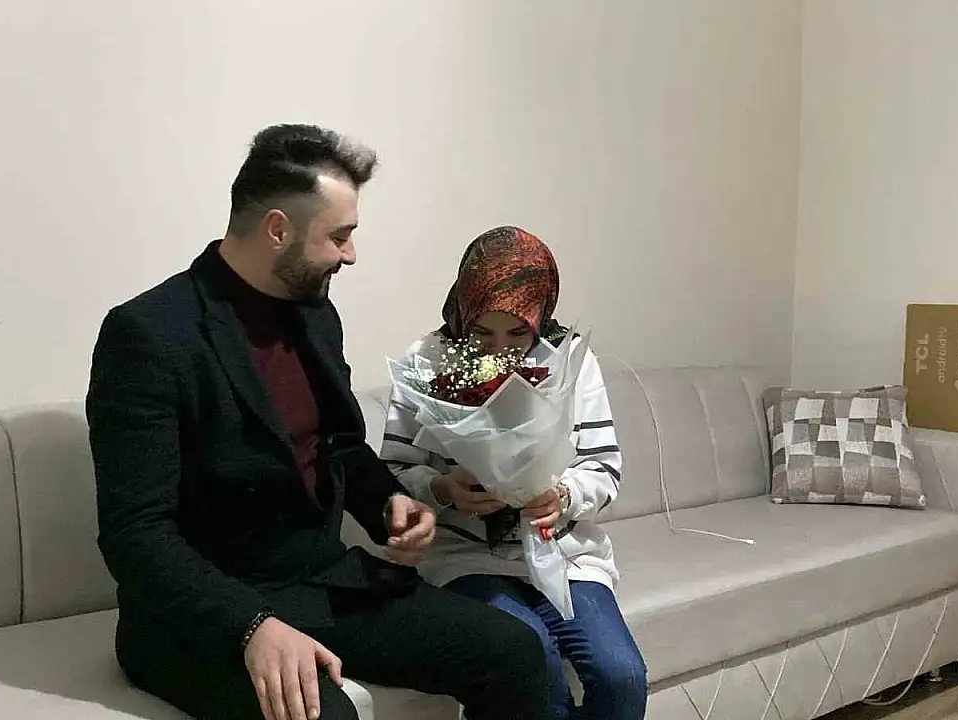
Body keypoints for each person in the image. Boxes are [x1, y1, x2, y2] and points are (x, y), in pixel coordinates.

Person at [86, 126, 548, 720]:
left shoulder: (315, 314)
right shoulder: (149, 334)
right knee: (325, 715)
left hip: (319, 583)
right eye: (339, 236)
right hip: (197, 614)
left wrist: (387, 503)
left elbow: (340, 445)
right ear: (278, 229)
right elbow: (136, 533)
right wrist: (250, 625)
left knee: (513, 651)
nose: (350, 255)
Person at [381, 226, 649, 720]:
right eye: (481, 334)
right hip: (465, 558)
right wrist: (442, 489)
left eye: (518, 334)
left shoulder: (570, 359)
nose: (498, 351)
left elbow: (604, 468)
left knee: (622, 677)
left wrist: (563, 496)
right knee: (532, 664)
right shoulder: (426, 361)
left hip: (566, 556)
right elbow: (392, 471)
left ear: (540, 317)